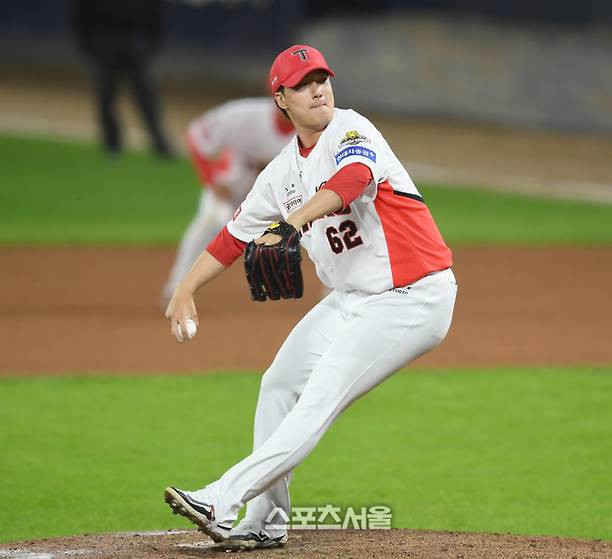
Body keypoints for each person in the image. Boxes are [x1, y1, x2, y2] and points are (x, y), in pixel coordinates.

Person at [164, 44, 457, 551]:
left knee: (320, 397)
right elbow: (233, 237)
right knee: (279, 383)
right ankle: (265, 520)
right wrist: (186, 290)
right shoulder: (280, 174)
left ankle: (221, 499)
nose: (317, 89)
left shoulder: (350, 129)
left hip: (412, 296)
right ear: (281, 99)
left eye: (321, 78)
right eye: (302, 83)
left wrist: (292, 222)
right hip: (350, 300)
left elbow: (353, 178)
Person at [161, 97, 296, 308]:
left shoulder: (310, 131)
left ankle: (333, 293)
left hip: (268, 202)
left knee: (315, 227)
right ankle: (176, 289)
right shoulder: (245, 116)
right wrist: (211, 181)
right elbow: (196, 135)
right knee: (213, 218)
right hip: (229, 191)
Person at [72, 0, 172, 156]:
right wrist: (86, 42)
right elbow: (81, 9)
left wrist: (154, 41)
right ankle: (112, 143)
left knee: (145, 93)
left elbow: (154, 8)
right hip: (104, 37)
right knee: (106, 94)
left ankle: (158, 141)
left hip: (136, 37)